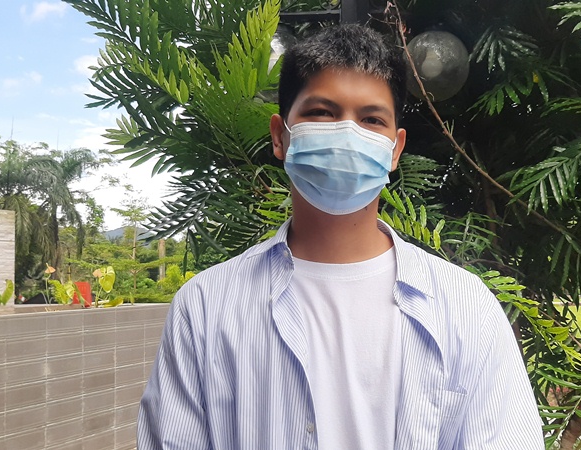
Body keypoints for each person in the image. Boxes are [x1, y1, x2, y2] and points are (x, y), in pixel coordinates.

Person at [138, 24, 544, 449]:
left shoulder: (465, 308)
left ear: (395, 150)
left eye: (371, 120)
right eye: (321, 113)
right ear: (280, 136)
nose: (349, 135)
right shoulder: (206, 306)